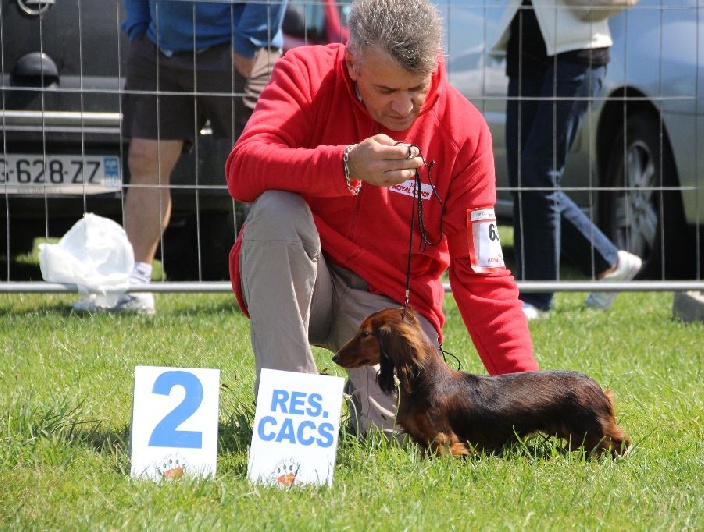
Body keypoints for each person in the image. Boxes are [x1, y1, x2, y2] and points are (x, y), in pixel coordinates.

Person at [226, 0, 540, 436]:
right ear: (352, 64)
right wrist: (345, 165)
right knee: (275, 210)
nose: (404, 107)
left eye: (417, 88)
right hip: (307, 275)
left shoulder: (465, 132)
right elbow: (242, 169)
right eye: (387, 90)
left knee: (395, 434)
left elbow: (483, 274)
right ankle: (291, 414)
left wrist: (530, 398)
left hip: (391, 306)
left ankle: (359, 406)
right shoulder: (306, 73)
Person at [74, 0, 287, 314]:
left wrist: (249, 41)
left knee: (267, 165)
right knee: (145, 160)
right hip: (157, 49)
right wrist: (138, 27)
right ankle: (134, 286)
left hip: (243, 48)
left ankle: (283, 286)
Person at [496, 0, 642, 320]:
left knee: (537, 173)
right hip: (525, 50)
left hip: (577, 53)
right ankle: (609, 263)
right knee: (525, 178)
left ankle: (537, 297)